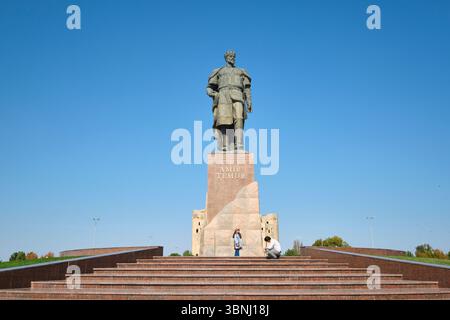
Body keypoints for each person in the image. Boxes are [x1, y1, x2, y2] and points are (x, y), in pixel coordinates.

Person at [206, 50, 253, 151]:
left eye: (233, 56)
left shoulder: (241, 71)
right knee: (224, 120)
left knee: (239, 118)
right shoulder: (219, 71)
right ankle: (225, 145)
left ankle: (239, 145)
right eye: (230, 56)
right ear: (226, 58)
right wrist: (213, 94)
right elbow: (209, 87)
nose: (232, 58)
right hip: (223, 95)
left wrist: (249, 101)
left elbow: (247, 88)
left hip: (238, 95)